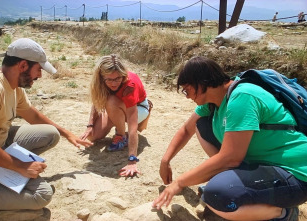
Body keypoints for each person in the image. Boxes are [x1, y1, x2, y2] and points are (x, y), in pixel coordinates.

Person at [0, 38, 93, 220]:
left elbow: (33, 116)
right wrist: (22, 166)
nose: (39, 76)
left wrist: (67, 134)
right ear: (22, 66)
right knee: (41, 196)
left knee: (50, 134)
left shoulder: (12, 85)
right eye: (38, 69)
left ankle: (8, 181)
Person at [152, 56, 307, 220]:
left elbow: (230, 158)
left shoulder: (242, 96)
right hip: (264, 166)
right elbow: (186, 129)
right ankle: (234, 181)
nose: (187, 96)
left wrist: (180, 182)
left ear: (202, 82)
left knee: (217, 195)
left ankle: (283, 213)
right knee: (201, 124)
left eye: (187, 89)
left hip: (295, 174)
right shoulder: (214, 101)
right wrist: (165, 160)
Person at [80, 54, 150, 177]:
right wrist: (90, 125)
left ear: (123, 75)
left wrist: (132, 159)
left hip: (140, 108)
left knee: (111, 101)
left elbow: (133, 126)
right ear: (102, 77)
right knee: (93, 136)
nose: (113, 83)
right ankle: (117, 120)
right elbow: (97, 102)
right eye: (109, 80)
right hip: (117, 106)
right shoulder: (101, 83)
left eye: (118, 78)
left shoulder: (129, 86)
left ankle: (121, 136)